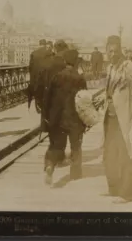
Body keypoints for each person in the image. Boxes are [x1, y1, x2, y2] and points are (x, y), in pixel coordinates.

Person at [101, 35, 132, 203]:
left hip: (125, 118)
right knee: (110, 154)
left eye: (115, 51)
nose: (112, 54)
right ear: (106, 50)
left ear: (120, 50)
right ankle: (113, 188)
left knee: (126, 155)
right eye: (109, 51)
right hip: (110, 118)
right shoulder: (110, 68)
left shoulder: (130, 67)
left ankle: (128, 193)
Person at [42, 48, 87, 184]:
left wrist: (47, 117)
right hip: (75, 118)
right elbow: (85, 100)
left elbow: (47, 98)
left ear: (65, 61)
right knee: (75, 145)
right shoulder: (80, 79)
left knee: (56, 145)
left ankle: (50, 165)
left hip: (58, 118)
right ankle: (75, 173)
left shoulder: (56, 77)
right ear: (76, 62)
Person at [28, 39, 53, 113]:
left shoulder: (33, 53)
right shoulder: (49, 53)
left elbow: (30, 67)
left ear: (39, 44)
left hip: (36, 78)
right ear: (45, 45)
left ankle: (38, 107)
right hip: (46, 78)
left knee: (37, 93)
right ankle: (45, 107)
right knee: (45, 93)